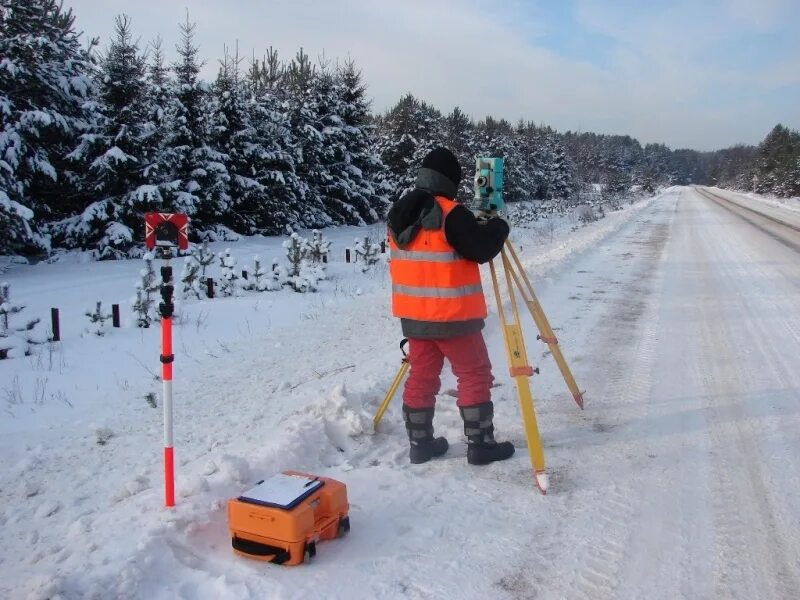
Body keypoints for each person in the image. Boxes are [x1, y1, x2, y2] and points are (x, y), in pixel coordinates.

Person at [387, 147, 515, 466]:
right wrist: (497, 227)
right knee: (474, 373)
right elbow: (480, 249)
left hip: (415, 318)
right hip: (454, 317)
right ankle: (481, 444)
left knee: (422, 376)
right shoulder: (451, 213)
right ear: (450, 181)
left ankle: (421, 443)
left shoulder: (400, 213)